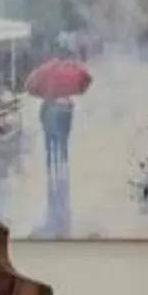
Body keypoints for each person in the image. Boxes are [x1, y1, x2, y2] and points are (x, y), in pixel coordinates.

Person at [25, 40, 93, 216]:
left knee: (50, 143)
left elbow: (41, 102)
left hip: (50, 114)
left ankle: (51, 169)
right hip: (64, 114)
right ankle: (63, 168)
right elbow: (82, 85)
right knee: (63, 141)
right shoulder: (68, 77)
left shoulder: (47, 75)